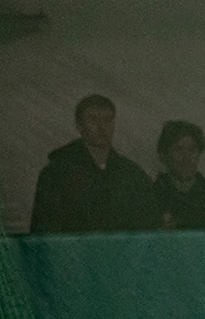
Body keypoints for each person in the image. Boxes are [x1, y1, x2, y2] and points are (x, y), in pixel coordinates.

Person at [30, 94, 158, 233]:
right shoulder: (56, 174)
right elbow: (45, 230)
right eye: (93, 119)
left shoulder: (132, 174)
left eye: (108, 120)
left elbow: (148, 225)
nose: (101, 126)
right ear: (79, 125)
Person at [152, 120, 205, 229]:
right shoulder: (149, 199)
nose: (186, 158)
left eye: (192, 150)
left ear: (198, 155)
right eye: (178, 150)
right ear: (163, 156)